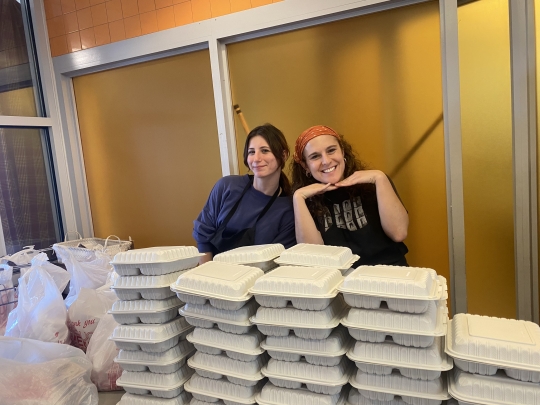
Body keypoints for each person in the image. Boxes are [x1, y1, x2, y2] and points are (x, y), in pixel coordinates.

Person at [291, 125, 409, 266]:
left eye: (331, 150)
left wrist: (380, 177)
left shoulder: (374, 183)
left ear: (343, 152)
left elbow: (399, 233)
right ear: (305, 166)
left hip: (389, 275)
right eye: (315, 156)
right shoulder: (305, 199)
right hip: (339, 282)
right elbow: (313, 256)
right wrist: (298, 197)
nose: (326, 161)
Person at [193, 123, 296, 264]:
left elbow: (276, 261)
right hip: (212, 276)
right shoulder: (226, 187)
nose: (256, 158)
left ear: (283, 155)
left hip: (256, 281)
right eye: (251, 152)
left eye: (265, 151)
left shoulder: (288, 209)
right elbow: (203, 236)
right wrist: (206, 272)